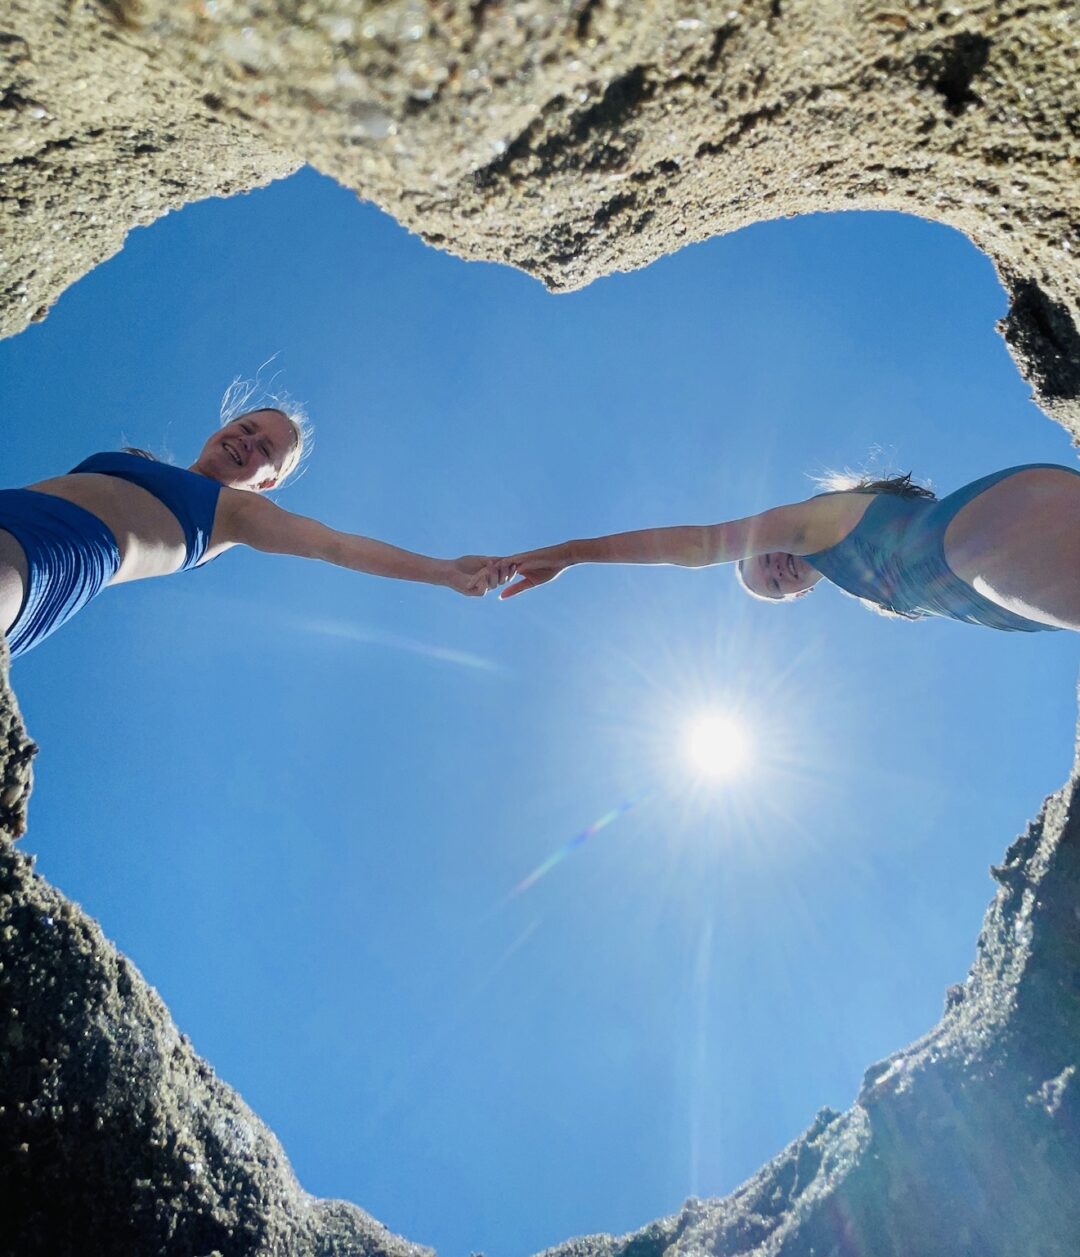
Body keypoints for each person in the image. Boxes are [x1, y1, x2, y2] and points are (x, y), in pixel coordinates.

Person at [0, 405, 496, 659]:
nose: (248, 442)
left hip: (53, 555)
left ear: (268, 482)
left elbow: (336, 546)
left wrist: (444, 571)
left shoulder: (236, 513)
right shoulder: (136, 460)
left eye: (265, 451)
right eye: (246, 427)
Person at [488, 465, 1080, 633]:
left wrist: (569, 552)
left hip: (994, 534)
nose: (770, 568)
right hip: (1006, 574)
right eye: (771, 584)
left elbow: (695, 546)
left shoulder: (820, 524)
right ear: (799, 592)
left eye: (756, 559)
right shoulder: (873, 590)